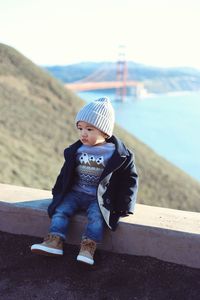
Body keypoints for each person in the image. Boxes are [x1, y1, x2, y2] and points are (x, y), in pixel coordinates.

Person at [31, 97, 138, 265]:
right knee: (61, 210)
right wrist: (57, 192)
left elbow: (130, 180)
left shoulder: (118, 154)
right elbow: (64, 174)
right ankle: (54, 241)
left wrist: (126, 205)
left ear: (104, 132)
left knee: (96, 218)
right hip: (75, 193)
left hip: (98, 198)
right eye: (80, 128)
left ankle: (88, 249)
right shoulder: (77, 150)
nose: (83, 133)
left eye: (89, 129)